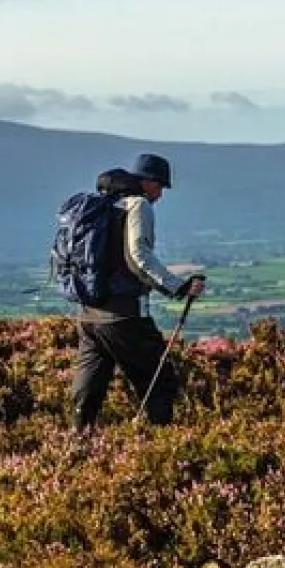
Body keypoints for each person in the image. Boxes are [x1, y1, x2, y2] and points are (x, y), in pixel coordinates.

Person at [72, 153, 206, 430]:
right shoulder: (138, 204)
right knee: (160, 382)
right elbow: (138, 255)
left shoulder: (104, 205)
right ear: (148, 182)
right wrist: (177, 287)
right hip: (124, 317)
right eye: (160, 187)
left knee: (88, 392)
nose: (160, 195)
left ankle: (76, 445)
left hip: (88, 317)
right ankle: (159, 450)